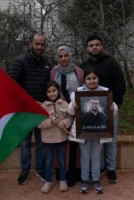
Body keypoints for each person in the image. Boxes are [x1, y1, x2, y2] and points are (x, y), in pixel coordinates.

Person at [80, 35, 126, 183]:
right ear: (87, 48)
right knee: (96, 139)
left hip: (110, 109)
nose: (94, 47)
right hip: (90, 110)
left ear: (101, 46)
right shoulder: (84, 66)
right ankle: (99, 168)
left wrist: (115, 105)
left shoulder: (111, 62)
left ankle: (111, 168)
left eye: (97, 44)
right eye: (91, 45)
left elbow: (121, 85)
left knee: (111, 141)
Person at [9, 33, 52, 185]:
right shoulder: (19, 62)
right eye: (37, 44)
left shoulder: (48, 63)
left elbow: (51, 87)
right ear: (30, 44)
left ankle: (39, 169)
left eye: (42, 44)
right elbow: (11, 85)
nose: (40, 47)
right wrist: (27, 101)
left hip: (41, 112)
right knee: (26, 144)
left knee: (41, 143)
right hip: (25, 112)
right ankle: (25, 171)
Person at [68, 67, 118, 194]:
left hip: (100, 132)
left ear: (98, 79)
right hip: (83, 132)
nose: (91, 81)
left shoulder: (105, 92)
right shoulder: (76, 93)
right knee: (84, 157)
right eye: (88, 78)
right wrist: (72, 106)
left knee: (96, 157)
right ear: (84, 80)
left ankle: (96, 179)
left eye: (94, 78)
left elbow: (112, 111)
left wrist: (113, 107)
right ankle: (85, 180)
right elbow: (71, 112)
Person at [50, 45, 84, 187]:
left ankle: (75, 172)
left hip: (77, 111)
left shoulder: (79, 72)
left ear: (70, 56)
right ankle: (61, 172)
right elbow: (50, 91)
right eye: (60, 56)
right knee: (61, 143)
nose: (63, 58)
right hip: (60, 113)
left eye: (66, 55)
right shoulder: (53, 72)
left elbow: (84, 90)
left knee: (75, 143)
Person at [38, 81, 73, 193]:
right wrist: (51, 122)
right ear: (45, 93)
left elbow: (70, 117)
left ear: (58, 91)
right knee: (48, 160)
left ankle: (63, 180)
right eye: (49, 91)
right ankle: (48, 181)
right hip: (47, 139)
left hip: (61, 138)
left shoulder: (65, 104)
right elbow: (39, 124)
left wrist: (65, 123)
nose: (52, 93)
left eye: (54, 90)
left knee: (62, 160)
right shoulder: (42, 107)